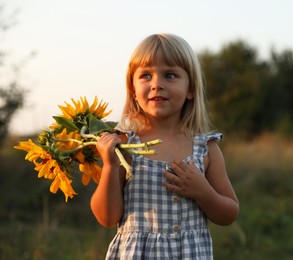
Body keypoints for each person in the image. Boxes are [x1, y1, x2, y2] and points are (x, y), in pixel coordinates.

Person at [90, 33, 239, 259]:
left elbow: (229, 213)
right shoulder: (124, 146)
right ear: (132, 88)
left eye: (170, 75)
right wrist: (110, 166)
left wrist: (204, 192)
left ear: (190, 89)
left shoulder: (205, 148)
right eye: (146, 75)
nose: (157, 84)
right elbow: (107, 218)